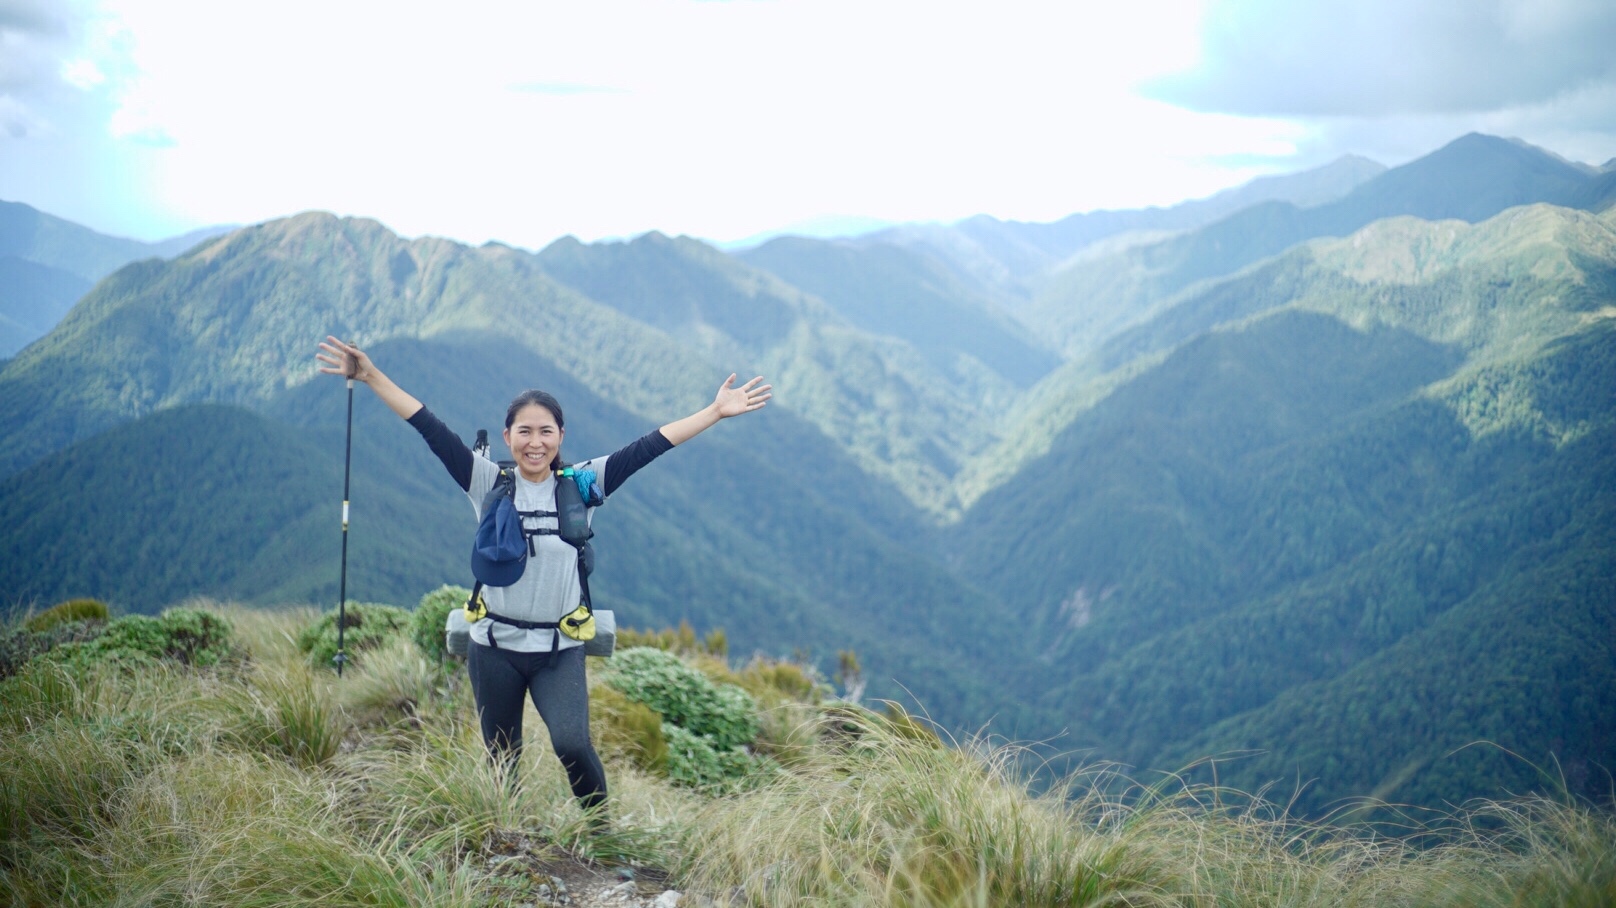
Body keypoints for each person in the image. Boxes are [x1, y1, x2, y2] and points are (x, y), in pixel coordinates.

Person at [315, 336, 770, 818]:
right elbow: (429, 426)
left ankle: (601, 832)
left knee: (573, 744)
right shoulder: (488, 482)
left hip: (558, 649)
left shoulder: (583, 485)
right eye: (525, 432)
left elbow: (649, 446)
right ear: (508, 437)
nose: (536, 443)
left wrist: (715, 411)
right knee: (501, 759)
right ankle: (503, 838)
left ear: (561, 437)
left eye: (546, 432)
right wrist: (370, 376)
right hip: (494, 648)